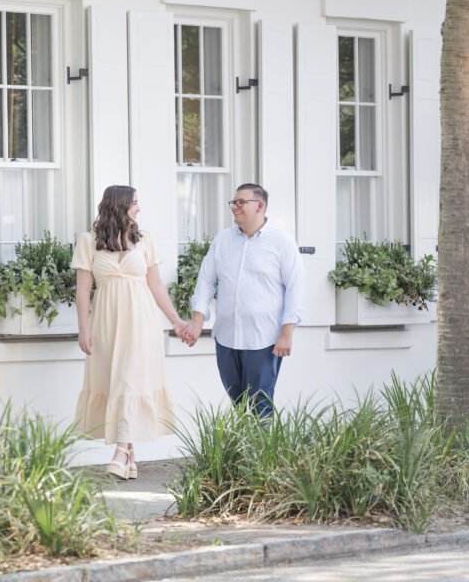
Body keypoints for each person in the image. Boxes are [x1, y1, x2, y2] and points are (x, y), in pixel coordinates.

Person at [72, 185, 187, 480]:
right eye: (134, 203)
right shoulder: (88, 242)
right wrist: (83, 329)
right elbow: (83, 290)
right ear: (118, 205)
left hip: (141, 321)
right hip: (106, 322)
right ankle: (130, 456)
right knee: (118, 382)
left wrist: (176, 321)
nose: (138, 208)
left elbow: (157, 286)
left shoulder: (145, 240)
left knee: (129, 379)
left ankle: (120, 451)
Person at [178, 184, 305, 418]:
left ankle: (260, 456)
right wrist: (197, 322)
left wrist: (287, 332)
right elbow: (205, 281)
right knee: (237, 405)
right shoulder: (222, 240)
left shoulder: (282, 243)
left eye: (241, 202)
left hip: (264, 340)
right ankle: (241, 454)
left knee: (261, 404)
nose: (235, 207)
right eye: (233, 203)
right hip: (226, 338)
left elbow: (295, 289)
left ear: (260, 206)